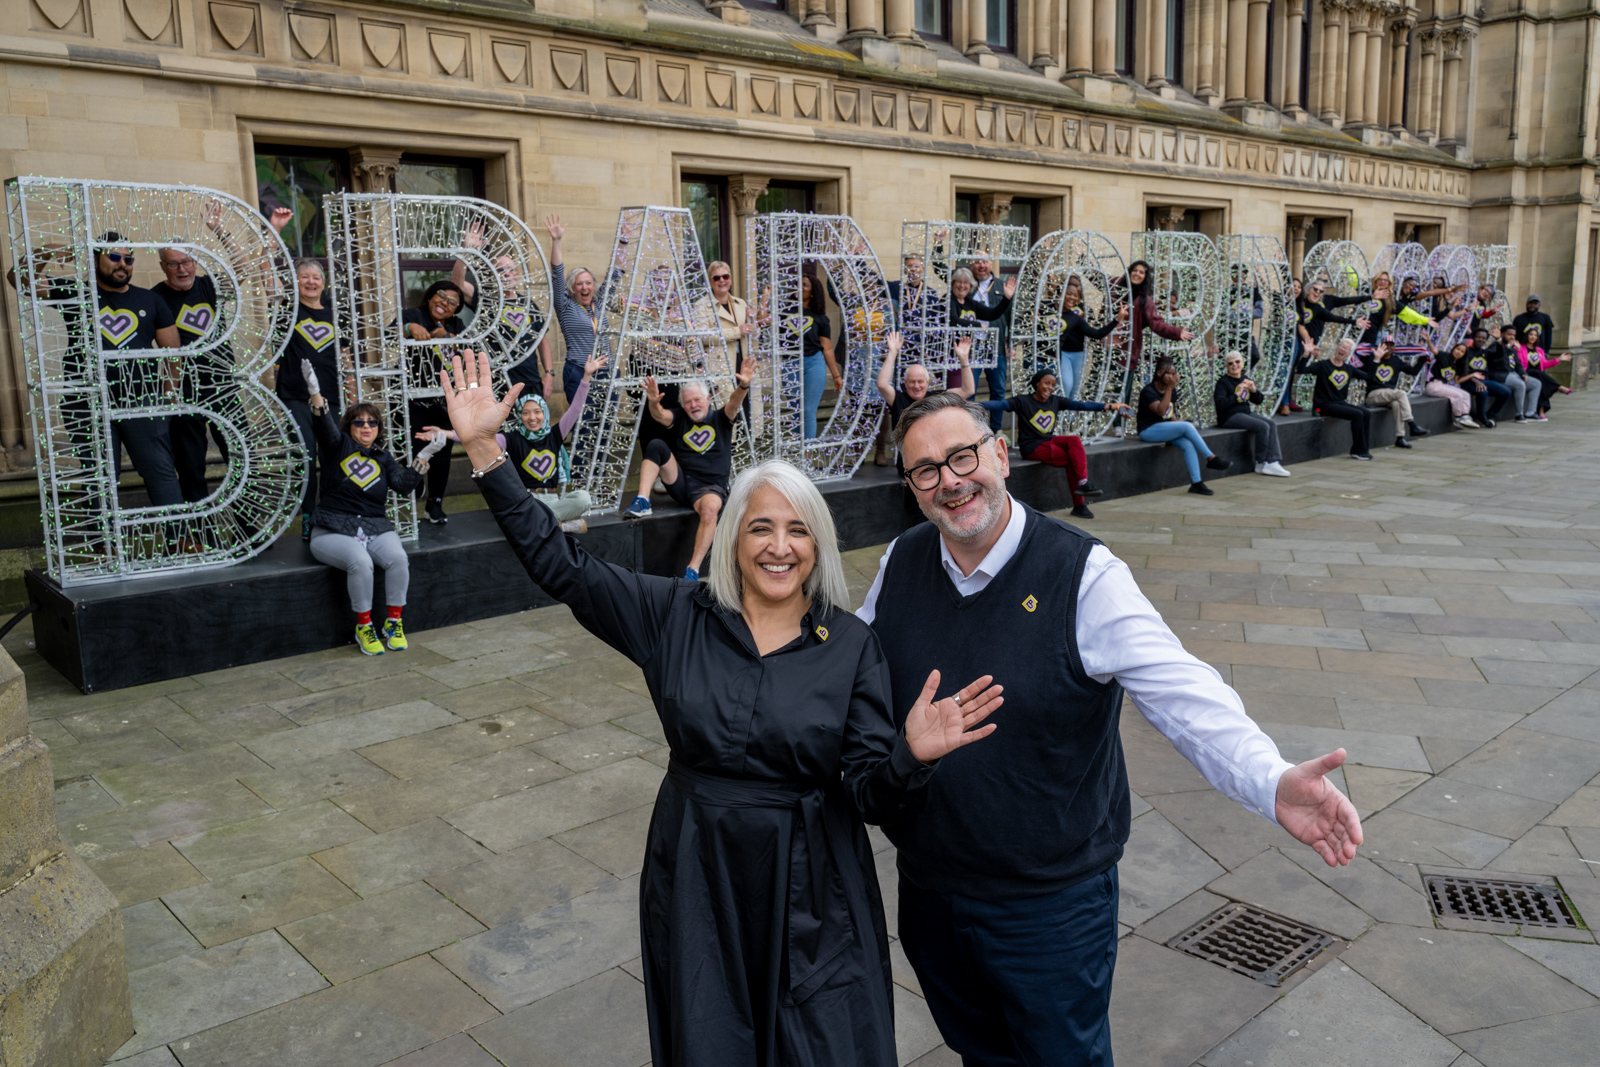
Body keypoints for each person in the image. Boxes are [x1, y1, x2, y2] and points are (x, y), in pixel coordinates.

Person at [442, 349, 1003, 1067]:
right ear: (733, 536)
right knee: (712, 1040)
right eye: (760, 527)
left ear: (817, 543)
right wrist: (487, 451)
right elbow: (564, 568)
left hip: (814, 885)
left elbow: (867, 789)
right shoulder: (676, 614)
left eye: (797, 529)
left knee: (826, 1043)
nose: (778, 547)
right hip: (699, 872)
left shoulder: (851, 644)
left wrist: (908, 754)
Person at [858, 390, 1362, 1066]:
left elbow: (1182, 691)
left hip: (1049, 908)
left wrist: (1269, 779)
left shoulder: (1082, 572)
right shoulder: (901, 562)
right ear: (912, 486)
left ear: (1000, 455)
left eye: (962, 456)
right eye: (925, 469)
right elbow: (845, 676)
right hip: (932, 893)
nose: (949, 480)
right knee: (980, 1051)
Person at [9, 233, 185, 509]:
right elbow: (19, 278)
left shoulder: (150, 300)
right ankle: (103, 546)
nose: (122, 264)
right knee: (99, 477)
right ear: (94, 259)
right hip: (85, 400)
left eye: (128, 259)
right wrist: (47, 250)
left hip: (142, 400)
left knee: (160, 470)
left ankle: (180, 540)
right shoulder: (75, 293)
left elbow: (172, 351)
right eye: (114, 257)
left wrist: (169, 393)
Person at [153, 201, 292, 503]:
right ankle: (203, 536)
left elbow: (243, 267)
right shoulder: (154, 298)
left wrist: (218, 229)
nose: (182, 269)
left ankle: (248, 530)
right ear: (163, 266)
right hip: (183, 389)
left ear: (196, 262)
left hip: (222, 383)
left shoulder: (208, 286)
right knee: (190, 467)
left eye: (188, 261)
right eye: (174, 264)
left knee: (241, 457)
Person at [300, 359, 430, 656]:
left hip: (373, 525)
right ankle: (364, 625)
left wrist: (422, 461)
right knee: (361, 561)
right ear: (350, 427)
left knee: (398, 558)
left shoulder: (383, 458)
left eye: (372, 422)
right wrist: (315, 392)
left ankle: (393, 623)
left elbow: (402, 484)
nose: (367, 427)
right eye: (359, 422)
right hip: (332, 529)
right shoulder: (338, 445)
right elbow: (323, 424)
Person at [421, 352, 606, 534]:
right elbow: (477, 435)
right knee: (522, 511)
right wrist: (444, 432)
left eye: (537, 412)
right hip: (528, 499)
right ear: (519, 415)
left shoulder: (555, 434)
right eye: (526, 412)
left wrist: (586, 375)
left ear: (544, 413)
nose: (532, 417)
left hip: (554, 498)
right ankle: (557, 525)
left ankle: (545, 523)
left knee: (584, 498)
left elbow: (575, 410)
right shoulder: (512, 439)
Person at [622, 373, 752, 581]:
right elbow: (660, 415)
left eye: (697, 400)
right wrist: (654, 402)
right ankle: (642, 500)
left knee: (711, 508)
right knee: (656, 445)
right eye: (688, 402)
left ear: (708, 399)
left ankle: (692, 569)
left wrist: (744, 386)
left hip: (710, 489)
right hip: (682, 483)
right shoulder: (680, 417)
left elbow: (734, 403)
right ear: (683, 405)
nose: (693, 405)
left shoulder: (721, 418)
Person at [981, 367, 1132, 519]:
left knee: (1074, 440)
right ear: (1037, 383)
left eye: (1053, 385)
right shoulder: (1022, 401)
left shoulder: (1056, 401)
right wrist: (972, 406)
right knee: (1073, 460)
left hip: (1048, 440)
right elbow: (998, 405)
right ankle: (1079, 504)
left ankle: (1083, 483)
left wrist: (1111, 406)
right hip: (1032, 446)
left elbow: (1081, 405)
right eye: (1046, 383)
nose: (1050, 388)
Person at [450, 219, 554, 400]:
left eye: (511, 270)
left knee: (532, 427)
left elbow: (542, 340)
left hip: (529, 380)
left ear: (517, 274)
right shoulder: (485, 300)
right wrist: (466, 251)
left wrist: (549, 373)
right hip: (498, 381)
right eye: (500, 270)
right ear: (492, 275)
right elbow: (456, 285)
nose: (506, 274)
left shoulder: (529, 303)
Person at [275, 258, 342, 539]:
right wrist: (272, 233)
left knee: (333, 457)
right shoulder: (288, 312)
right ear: (295, 282)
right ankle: (307, 518)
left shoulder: (337, 316)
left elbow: (346, 357)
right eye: (304, 277)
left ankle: (332, 512)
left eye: (316, 277)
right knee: (305, 457)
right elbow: (271, 287)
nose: (311, 282)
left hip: (331, 399)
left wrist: (350, 397)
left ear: (324, 283)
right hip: (295, 397)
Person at [402, 280, 467, 525]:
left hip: (444, 401)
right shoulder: (413, 314)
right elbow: (386, 333)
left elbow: (468, 345)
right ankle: (413, 483)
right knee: (412, 446)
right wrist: (409, 327)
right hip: (413, 400)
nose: (444, 304)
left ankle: (435, 503)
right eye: (441, 296)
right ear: (430, 296)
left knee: (442, 451)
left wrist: (448, 337)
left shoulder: (456, 325)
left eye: (452, 303)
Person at [876, 330, 975, 472]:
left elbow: (967, 390)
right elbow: (882, 384)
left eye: (920, 381)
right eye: (912, 382)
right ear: (905, 382)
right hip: (911, 466)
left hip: (940, 463)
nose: (916, 386)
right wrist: (892, 352)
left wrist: (964, 358)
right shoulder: (898, 398)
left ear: (928, 382)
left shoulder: (937, 397)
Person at [1137, 357, 1230, 494]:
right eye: (1168, 373)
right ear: (1158, 373)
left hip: (1165, 429)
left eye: (1173, 373)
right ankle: (1211, 458)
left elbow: (1170, 414)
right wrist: (1170, 388)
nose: (1171, 376)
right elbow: (1161, 410)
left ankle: (1196, 483)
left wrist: (1178, 424)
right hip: (1148, 431)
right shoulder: (1148, 391)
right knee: (1187, 427)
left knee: (1188, 444)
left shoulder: (1172, 391)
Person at [1283, 277, 1370, 414]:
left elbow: (1334, 316)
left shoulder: (1319, 306)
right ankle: (1285, 402)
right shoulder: (1299, 302)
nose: (1318, 292)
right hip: (1296, 342)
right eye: (1315, 289)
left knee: (1298, 370)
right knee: (1288, 371)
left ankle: (1291, 401)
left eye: (1321, 290)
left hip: (1310, 344)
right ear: (1308, 289)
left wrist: (1354, 321)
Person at [1214, 351, 1290, 477]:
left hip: (1245, 412)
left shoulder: (1245, 379)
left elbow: (1259, 401)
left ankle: (1270, 463)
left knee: (1271, 423)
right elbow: (1220, 405)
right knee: (1263, 426)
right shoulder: (1223, 382)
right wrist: (1236, 395)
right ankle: (1262, 462)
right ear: (1227, 366)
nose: (1234, 365)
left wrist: (1253, 390)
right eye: (1230, 363)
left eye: (1237, 362)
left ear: (1242, 363)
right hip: (1228, 417)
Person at [1056, 280, 1127, 401]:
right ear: (1060, 293)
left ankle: (1070, 417)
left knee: (1076, 388)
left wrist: (1117, 319)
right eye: (1069, 293)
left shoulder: (1078, 316)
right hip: (1062, 354)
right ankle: (1062, 415)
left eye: (1075, 294)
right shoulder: (1050, 309)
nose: (1072, 297)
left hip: (1078, 353)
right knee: (1066, 385)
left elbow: (1097, 333)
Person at [1306, 339, 1377, 459]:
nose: (1342, 349)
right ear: (1337, 348)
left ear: (1349, 353)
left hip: (1339, 403)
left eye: (1346, 348)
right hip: (1323, 405)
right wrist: (1306, 354)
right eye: (1341, 346)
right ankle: (1357, 451)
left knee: (1365, 413)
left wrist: (1376, 360)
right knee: (1357, 414)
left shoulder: (1349, 369)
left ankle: (1363, 449)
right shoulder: (1323, 365)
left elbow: (1371, 378)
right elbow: (1302, 370)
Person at [796, 273, 843, 439]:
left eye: (805, 285)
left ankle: (806, 455)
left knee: (807, 410)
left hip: (813, 364)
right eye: (798, 284)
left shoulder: (820, 318)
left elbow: (827, 348)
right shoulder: (784, 312)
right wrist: (766, 296)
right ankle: (797, 450)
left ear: (813, 291)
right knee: (796, 410)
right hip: (790, 365)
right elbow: (762, 320)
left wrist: (836, 376)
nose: (800, 287)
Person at [1363, 339, 1432, 448]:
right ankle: (1412, 424)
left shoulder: (1396, 360)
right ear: (1381, 346)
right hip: (1373, 395)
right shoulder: (1372, 358)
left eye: (1391, 345)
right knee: (1400, 393)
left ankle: (1400, 438)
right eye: (1386, 345)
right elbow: (1368, 375)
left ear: (1394, 348)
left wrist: (1422, 357)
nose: (1389, 348)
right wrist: (1377, 359)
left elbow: (1412, 372)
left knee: (1397, 404)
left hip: (1388, 396)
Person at [1455, 336, 1511, 428]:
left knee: (1506, 392)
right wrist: (1476, 381)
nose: (1481, 339)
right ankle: (1482, 417)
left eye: (1484, 338)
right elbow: (1463, 372)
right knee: (1483, 392)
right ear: (1473, 338)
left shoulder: (1485, 352)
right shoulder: (1465, 352)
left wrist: (1499, 340)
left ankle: (1491, 415)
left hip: (1484, 381)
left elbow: (1499, 355)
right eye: (1478, 337)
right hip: (1468, 381)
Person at [1518, 324, 1570, 419]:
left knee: (1541, 380)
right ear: (1526, 336)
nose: (1533, 337)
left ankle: (1541, 411)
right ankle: (1559, 387)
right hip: (1525, 373)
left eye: (1535, 335)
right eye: (1531, 334)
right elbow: (1517, 363)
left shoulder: (1539, 350)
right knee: (1539, 374)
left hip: (1538, 374)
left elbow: (1545, 364)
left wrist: (1558, 359)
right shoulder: (1520, 349)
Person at [1422, 344, 1481, 429]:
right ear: (1454, 349)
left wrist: (1471, 375)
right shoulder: (1444, 356)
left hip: (1442, 385)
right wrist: (1428, 339)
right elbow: (1434, 350)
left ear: (1464, 355)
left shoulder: (1458, 364)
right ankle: (1457, 418)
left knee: (1466, 395)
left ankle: (1465, 416)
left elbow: (1457, 381)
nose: (1459, 352)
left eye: (1462, 351)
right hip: (1432, 385)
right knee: (1458, 395)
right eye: (1458, 349)